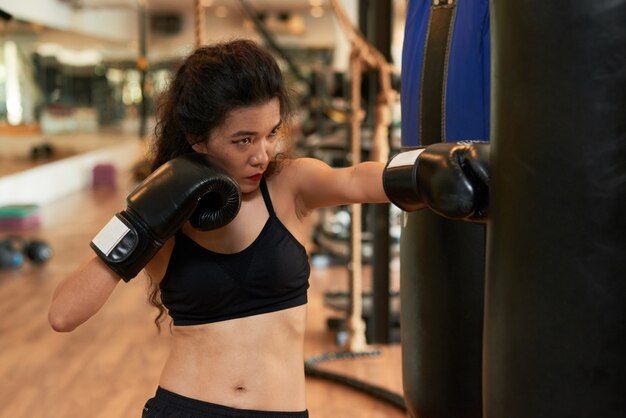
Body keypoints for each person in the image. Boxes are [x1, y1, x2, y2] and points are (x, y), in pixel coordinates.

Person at [48, 39, 489, 418]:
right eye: (243, 140)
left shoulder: (289, 184)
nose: (261, 154)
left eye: (270, 133)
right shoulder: (165, 208)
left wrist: (425, 168)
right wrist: (138, 221)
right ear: (198, 138)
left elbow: (355, 178)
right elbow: (63, 314)